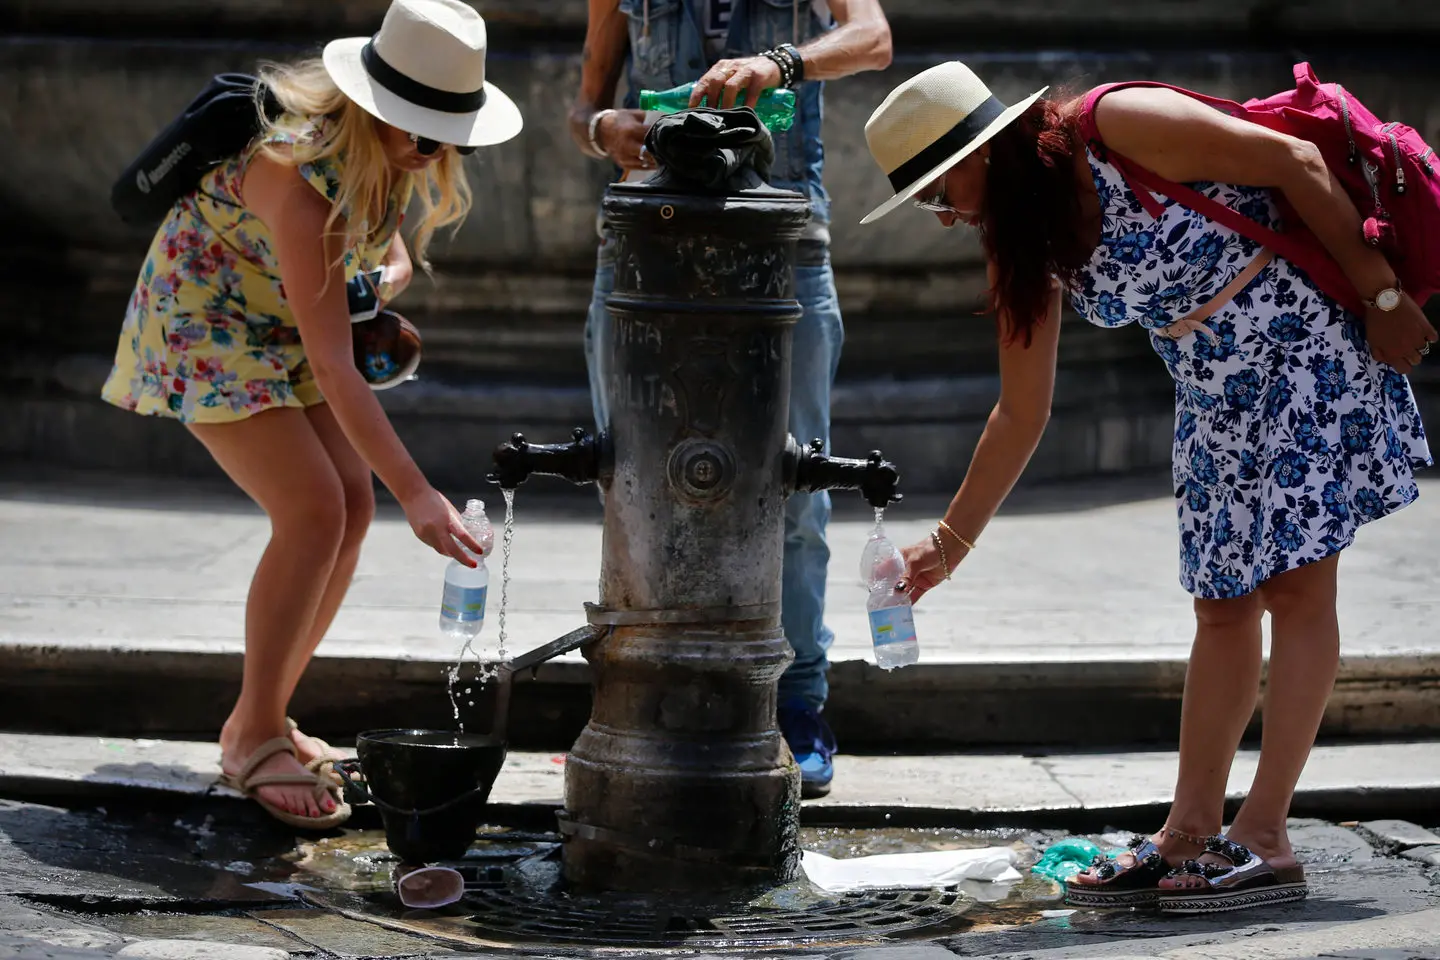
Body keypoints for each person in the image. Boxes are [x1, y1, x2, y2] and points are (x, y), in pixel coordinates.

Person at [860, 62, 1434, 910]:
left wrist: (1382, 295)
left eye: (939, 192)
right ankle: (1188, 833)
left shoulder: (1116, 125)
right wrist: (950, 545)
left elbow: (1295, 166)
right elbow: (1021, 411)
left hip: (1305, 348)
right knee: (1221, 605)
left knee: (1297, 593)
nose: (943, 214)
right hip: (1211, 391)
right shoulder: (1023, 239)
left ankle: (1266, 836)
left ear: (983, 153)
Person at [100, 0, 523, 829]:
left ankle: (268, 713)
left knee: (347, 508)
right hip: (206, 324)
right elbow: (334, 369)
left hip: (276, 323)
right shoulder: (299, 186)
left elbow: (389, 248)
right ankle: (252, 732)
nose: (434, 151)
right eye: (423, 133)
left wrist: (377, 280)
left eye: (446, 137)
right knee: (311, 509)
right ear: (374, 109)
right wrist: (420, 494)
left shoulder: (386, 156)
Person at [566, 0, 892, 799]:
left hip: (786, 243)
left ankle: (798, 700)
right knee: (633, 485)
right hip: (647, 243)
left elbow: (875, 40)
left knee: (795, 489)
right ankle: (636, 695)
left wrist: (781, 64)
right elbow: (585, 104)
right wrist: (606, 129)